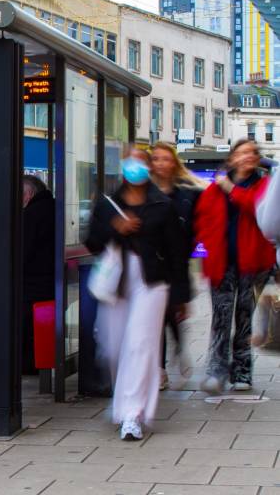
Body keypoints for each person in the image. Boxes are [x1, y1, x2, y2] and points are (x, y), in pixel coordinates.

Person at [86, 148, 189, 441]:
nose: (137, 166)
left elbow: (176, 252)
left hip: (152, 281)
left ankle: (133, 414)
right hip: (117, 280)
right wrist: (116, 228)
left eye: (143, 161)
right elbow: (92, 241)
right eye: (132, 160)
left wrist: (181, 296)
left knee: (140, 344)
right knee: (114, 345)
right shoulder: (108, 204)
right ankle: (124, 400)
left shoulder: (162, 204)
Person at [195, 139, 275, 394]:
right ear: (232, 158)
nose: (247, 157)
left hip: (254, 264)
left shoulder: (265, 186)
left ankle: (241, 371)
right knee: (220, 318)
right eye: (242, 152)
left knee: (244, 318)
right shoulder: (215, 189)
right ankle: (216, 370)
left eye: (252, 153)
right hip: (223, 262)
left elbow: (258, 209)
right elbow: (203, 219)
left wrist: (231, 189)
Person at [150, 142, 201, 389]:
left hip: (177, 263)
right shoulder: (144, 191)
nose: (160, 163)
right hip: (151, 265)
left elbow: (196, 225)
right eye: (156, 159)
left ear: (174, 163)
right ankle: (159, 369)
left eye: (165, 159)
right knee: (156, 318)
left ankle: (179, 347)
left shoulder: (186, 193)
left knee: (173, 313)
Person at [21, 175, 56, 374]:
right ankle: (42, 363)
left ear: (28, 194)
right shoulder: (53, 207)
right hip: (50, 281)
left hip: (33, 284)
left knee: (26, 326)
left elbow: (23, 251)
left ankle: (31, 365)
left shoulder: (31, 214)